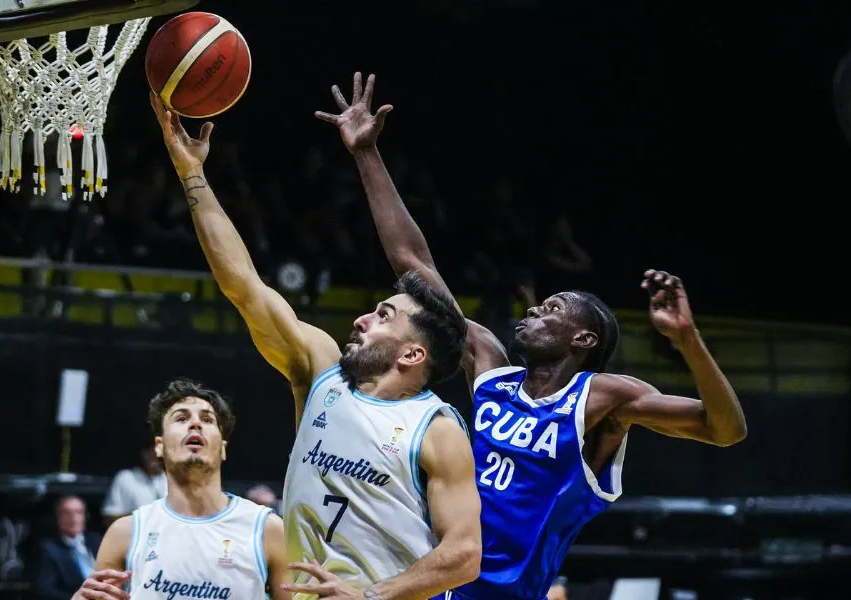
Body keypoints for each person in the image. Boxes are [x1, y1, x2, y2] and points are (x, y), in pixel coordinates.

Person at [317, 72, 748, 600]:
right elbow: (414, 263)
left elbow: (725, 430)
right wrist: (366, 155)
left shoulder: (603, 399)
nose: (536, 309)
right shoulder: (492, 373)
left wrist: (688, 342)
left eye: (554, 308)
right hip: (431, 581)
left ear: (583, 340)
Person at [149, 92, 481, 600]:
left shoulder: (436, 431)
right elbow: (244, 286)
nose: (362, 318)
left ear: (413, 355)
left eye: (383, 316)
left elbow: (464, 555)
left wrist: (370, 595)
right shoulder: (321, 369)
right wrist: (190, 171)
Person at [71, 379, 290, 600]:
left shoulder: (268, 530)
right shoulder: (124, 534)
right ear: (159, 445)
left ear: (223, 448)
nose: (195, 424)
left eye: (207, 419)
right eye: (182, 418)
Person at [33, 495, 100, 600]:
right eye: (66, 513)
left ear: (85, 516)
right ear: (57, 517)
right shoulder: (49, 549)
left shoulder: (97, 541)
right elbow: (45, 590)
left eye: (78, 512)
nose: (73, 517)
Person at [101, 443, 167, 526]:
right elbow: (109, 517)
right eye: (154, 455)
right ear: (144, 454)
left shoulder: (175, 479)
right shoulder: (125, 478)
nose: (159, 460)